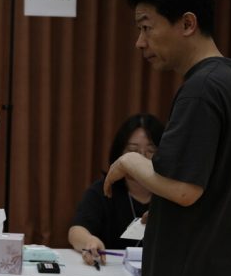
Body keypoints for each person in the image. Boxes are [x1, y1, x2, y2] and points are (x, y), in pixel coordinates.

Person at [104, 0, 231, 276]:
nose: (140, 42)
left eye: (147, 27)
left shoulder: (202, 88)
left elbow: (185, 190)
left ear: (187, 23)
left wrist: (130, 162)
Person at [69, 113, 164, 266]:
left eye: (151, 150)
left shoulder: (174, 194)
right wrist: (89, 241)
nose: (141, 158)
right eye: (133, 150)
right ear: (120, 154)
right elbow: (76, 231)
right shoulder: (104, 190)